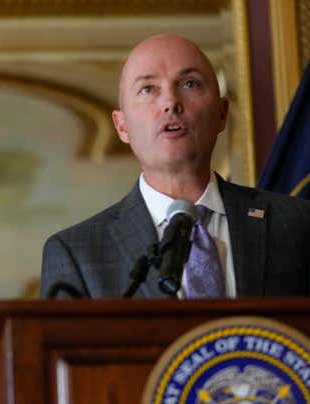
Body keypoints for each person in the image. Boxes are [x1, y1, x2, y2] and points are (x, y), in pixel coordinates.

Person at [41, 34, 310, 299]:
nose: (171, 102)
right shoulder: (77, 253)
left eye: (189, 84)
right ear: (121, 126)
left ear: (222, 114)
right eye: (148, 89)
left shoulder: (297, 223)